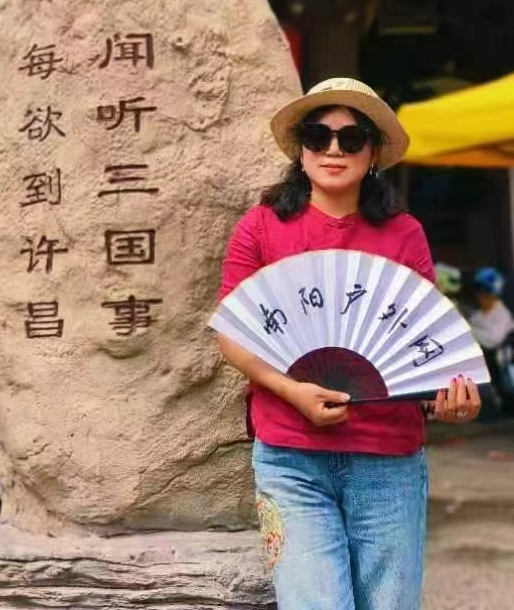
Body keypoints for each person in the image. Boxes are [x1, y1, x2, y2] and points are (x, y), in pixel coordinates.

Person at [217, 77, 482, 610]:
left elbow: (423, 342)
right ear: (301, 149)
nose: (333, 149)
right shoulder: (261, 227)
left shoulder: (404, 234)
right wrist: (290, 390)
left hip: (388, 459)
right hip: (291, 459)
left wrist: (451, 399)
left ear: (373, 151)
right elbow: (233, 331)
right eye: (318, 136)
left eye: (351, 138)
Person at [469, 267, 514, 386]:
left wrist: (469, 330)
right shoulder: (477, 315)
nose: (481, 297)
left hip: (502, 370)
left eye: (485, 293)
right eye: (479, 293)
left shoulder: (502, 313)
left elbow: (492, 340)